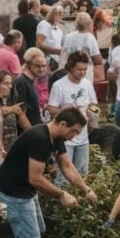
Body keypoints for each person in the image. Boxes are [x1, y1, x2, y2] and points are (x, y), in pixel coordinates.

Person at [0, 109, 98, 238]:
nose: (74, 136)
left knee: (37, 233)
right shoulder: (39, 138)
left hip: (26, 191)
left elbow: (66, 166)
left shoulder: (55, 137)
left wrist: (86, 189)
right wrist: (61, 195)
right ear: (63, 124)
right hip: (14, 192)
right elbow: (35, 178)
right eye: (74, 131)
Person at [48, 52, 99, 183]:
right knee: (63, 175)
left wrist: (91, 112)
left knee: (82, 173)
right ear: (70, 68)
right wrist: (69, 113)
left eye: (85, 69)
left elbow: (94, 103)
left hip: (83, 137)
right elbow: (52, 108)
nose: (82, 72)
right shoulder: (59, 85)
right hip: (65, 138)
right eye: (79, 69)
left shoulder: (87, 84)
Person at [61, 12, 103, 85]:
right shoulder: (90, 37)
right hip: (85, 73)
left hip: (70, 71)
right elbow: (98, 60)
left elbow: (63, 54)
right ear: (90, 24)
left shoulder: (68, 36)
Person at [12, 48, 48, 129]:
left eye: (44, 66)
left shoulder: (31, 80)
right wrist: (31, 132)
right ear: (28, 65)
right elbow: (20, 112)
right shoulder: (22, 82)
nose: (41, 69)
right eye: (37, 66)